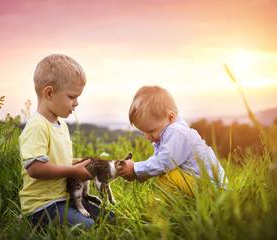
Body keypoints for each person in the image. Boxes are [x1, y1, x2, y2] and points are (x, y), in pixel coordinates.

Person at [19, 54, 115, 229]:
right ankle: (32, 223)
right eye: (72, 96)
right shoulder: (37, 127)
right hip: (44, 205)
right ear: (49, 93)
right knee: (88, 228)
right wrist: (72, 170)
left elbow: (56, 160)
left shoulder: (61, 125)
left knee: (110, 219)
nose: (76, 103)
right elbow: (35, 168)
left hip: (65, 199)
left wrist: (79, 163)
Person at [118, 85, 227, 196]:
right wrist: (138, 174)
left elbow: (163, 163)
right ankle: (182, 205)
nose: (147, 137)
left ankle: (171, 208)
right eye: (144, 132)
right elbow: (159, 162)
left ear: (170, 118)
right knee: (166, 174)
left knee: (167, 175)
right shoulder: (170, 132)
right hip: (205, 186)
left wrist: (136, 169)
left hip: (213, 189)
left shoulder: (177, 132)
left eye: (151, 131)